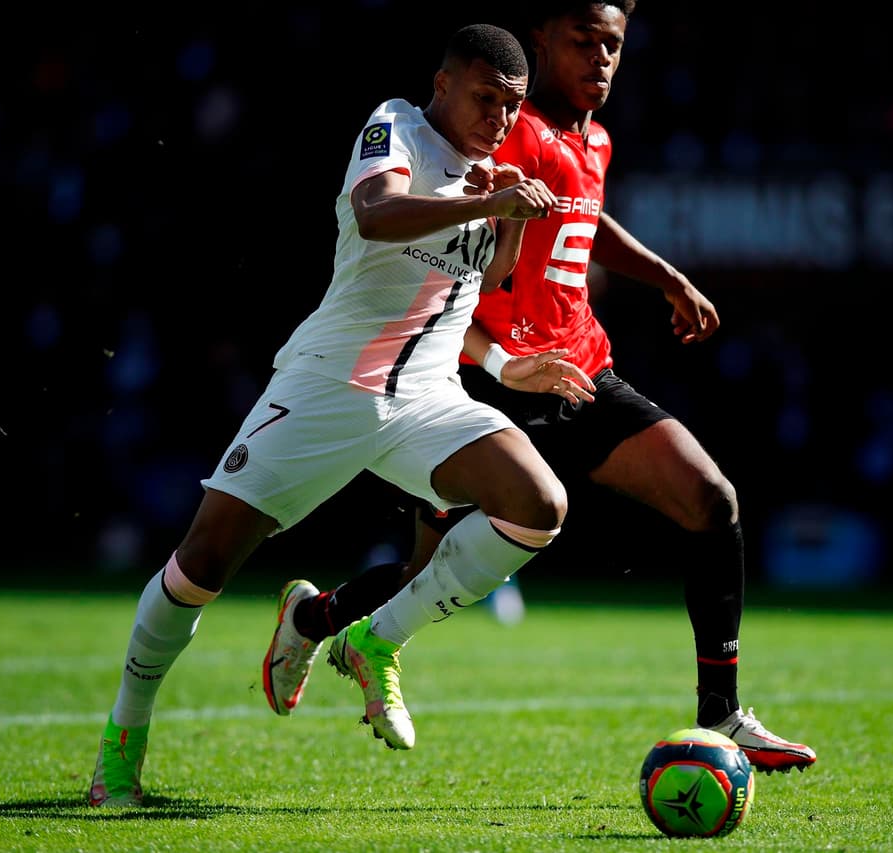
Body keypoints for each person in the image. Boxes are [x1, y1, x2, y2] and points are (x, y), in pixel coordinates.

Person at [265, 1, 817, 775]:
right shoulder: (500, 125)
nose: (600, 59)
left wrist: (662, 274)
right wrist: (495, 359)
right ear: (542, 42)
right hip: (478, 380)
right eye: (583, 41)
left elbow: (585, 218)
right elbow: (450, 255)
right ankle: (319, 615)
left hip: (581, 371)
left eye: (613, 46)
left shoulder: (594, 139)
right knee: (428, 575)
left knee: (711, 499)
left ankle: (721, 712)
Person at [88, 22, 603, 807]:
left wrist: (504, 361)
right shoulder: (396, 124)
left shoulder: (489, 173)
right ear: (443, 83)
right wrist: (493, 198)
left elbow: (468, 293)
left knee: (539, 505)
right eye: (485, 98)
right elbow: (375, 212)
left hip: (428, 396)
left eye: (512, 107)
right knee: (201, 566)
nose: (499, 120)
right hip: (330, 386)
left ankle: (374, 636)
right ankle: (123, 740)